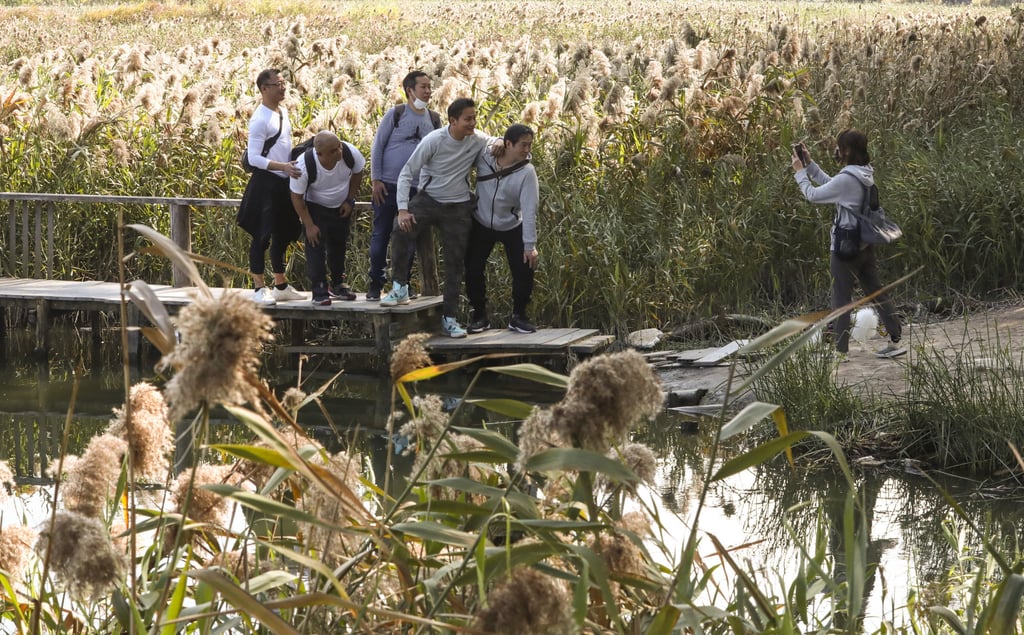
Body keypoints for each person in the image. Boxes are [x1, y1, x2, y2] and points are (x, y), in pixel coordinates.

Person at [380, 97, 499, 338]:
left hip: (458, 207)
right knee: (400, 228)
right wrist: (403, 209)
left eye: (474, 118)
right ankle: (399, 286)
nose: (472, 123)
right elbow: (406, 173)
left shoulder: (476, 140)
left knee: (455, 263)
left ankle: (450, 318)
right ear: (452, 120)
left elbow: (493, 141)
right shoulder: (434, 140)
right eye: (467, 119)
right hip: (428, 199)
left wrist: (498, 142)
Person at [792, 129, 904, 362]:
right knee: (877, 292)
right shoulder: (864, 173)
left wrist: (800, 173)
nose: (836, 150)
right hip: (864, 246)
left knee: (841, 299)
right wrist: (811, 166)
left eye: (839, 147)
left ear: (847, 151)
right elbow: (834, 187)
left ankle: (840, 351)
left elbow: (813, 194)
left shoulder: (847, 178)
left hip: (845, 248)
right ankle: (895, 336)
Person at [366, 71, 442, 301]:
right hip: (388, 185)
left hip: (416, 189)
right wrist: (376, 180)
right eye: (423, 87)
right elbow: (378, 146)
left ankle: (402, 284)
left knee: (407, 237)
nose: (428, 91)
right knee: (381, 234)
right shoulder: (396, 114)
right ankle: (375, 284)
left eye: (430, 87)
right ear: (410, 90)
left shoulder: (434, 119)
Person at [236, 68, 304, 306]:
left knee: (283, 234)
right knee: (261, 235)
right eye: (277, 84)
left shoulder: (282, 111)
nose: (283, 87)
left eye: (284, 83)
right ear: (264, 89)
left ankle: (281, 284)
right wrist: (282, 166)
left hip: (283, 181)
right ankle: (258, 288)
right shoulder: (260, 119)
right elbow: (254, 158)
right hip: (266, 183)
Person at [464, 123, 540, 334]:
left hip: (512, 224)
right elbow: (473, 132)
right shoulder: (486, 157)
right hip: (481, 221)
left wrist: (529, 245)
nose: (527, 150)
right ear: (508, 144)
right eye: (523, 145)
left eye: (529, 145)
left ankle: (518, 316)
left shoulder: (527, 172)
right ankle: (479, 315)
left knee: (524, 268)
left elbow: (529, 208)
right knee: (472, 268)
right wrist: (495, 139)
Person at [289, 131, 365, 306]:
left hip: (340, 206)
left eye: (339, 146)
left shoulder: (349, 153)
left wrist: (350, 199)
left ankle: (338, 284)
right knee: (315, 246)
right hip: (315, 208)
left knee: (339, 244)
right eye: (334, 149)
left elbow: (358, 172)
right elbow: (296, 197)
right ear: (320, 154)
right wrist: (308, 225)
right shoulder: (304, 165)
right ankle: (319, 289)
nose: (340, 150)